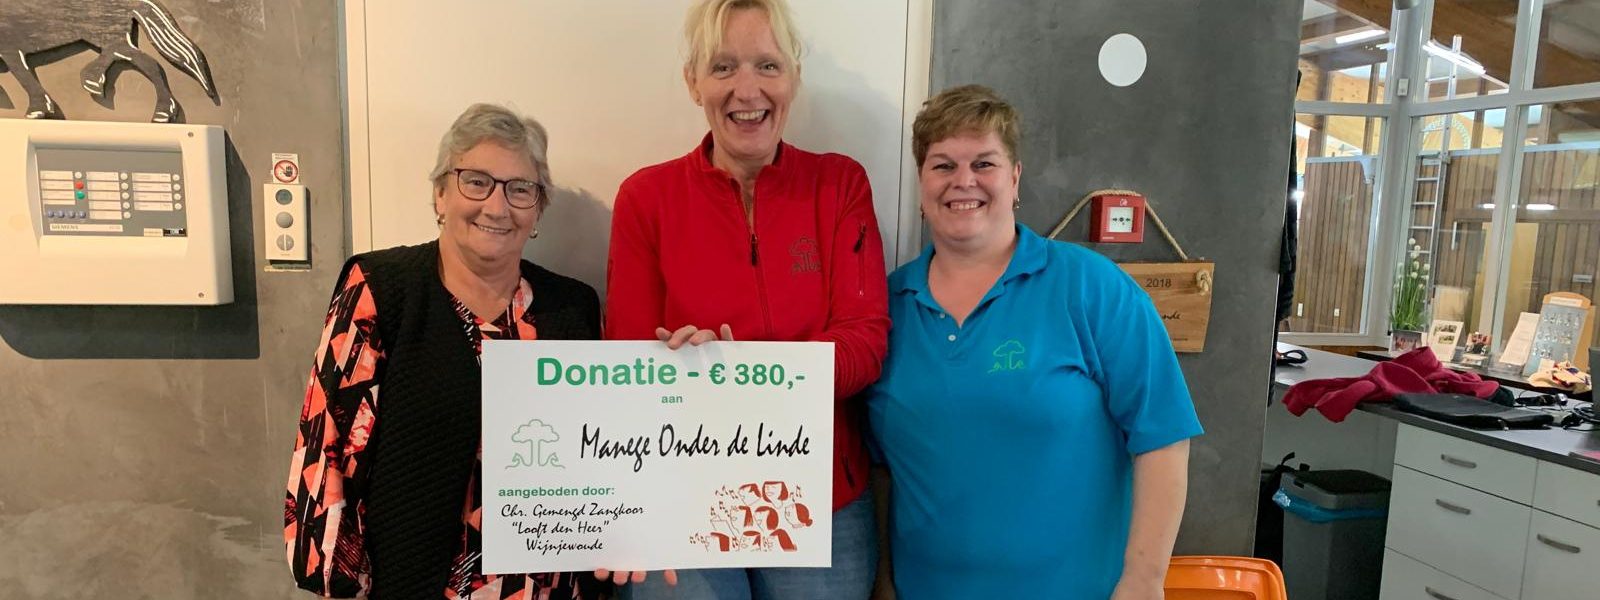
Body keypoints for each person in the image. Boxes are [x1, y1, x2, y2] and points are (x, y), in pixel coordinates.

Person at [865, 85, 1203, 599]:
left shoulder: (1090, 287)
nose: (963, 181)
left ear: (1015, 178)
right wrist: (884, 581)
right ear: (921, 182)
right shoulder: (886, 308)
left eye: (984, 163)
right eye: (943, 165)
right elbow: (882, 470)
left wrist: (1143, 580)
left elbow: (1163, 437)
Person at [603, 0, 890, 597]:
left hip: (821, 498)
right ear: (694, 82)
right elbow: (628, 363)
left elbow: (865, 342)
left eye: (767, 65)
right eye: (723, 67)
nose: (747, 89)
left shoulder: (840, 184)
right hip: (682, 495)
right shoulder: (646, 199)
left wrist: (742, 375)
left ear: (794, 78)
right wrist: (685, 368)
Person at [285, 103, 609, 599]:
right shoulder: (381, 289)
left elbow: (603, 450)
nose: (497, 207)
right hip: (414, 583)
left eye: (520, 189)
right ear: (440, 192)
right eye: (476, 182)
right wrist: (337, 578)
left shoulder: (573, 308)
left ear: (537, 209)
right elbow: (326, 443)